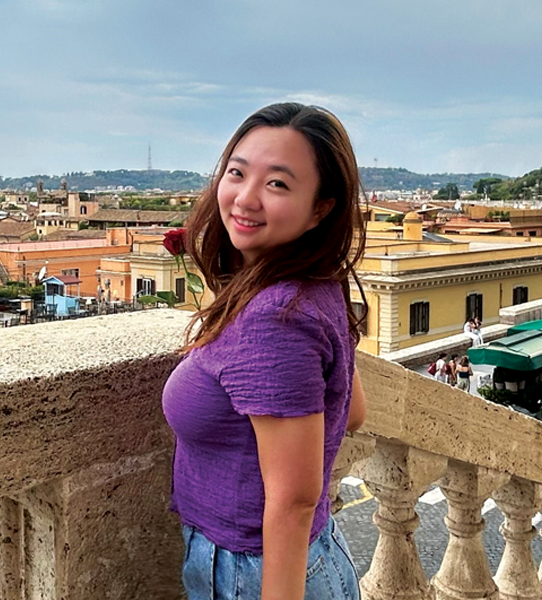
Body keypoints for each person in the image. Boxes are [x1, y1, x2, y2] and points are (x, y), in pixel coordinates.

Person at [162, 103, 366, 600]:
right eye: (237, 173)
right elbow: (353, 410)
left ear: (320, 209)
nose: (245, 198)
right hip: (304, 559)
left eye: (277, 183)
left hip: (252, 571)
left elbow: (293, 503)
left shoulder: (275, 319)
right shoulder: (314, 285)